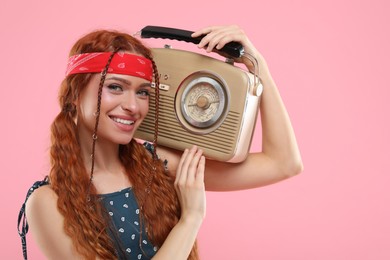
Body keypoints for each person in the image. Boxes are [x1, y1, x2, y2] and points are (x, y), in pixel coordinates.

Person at [19, 25, 303, 260]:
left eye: (143, 92)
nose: (133, 106)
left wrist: (258, 67)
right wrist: (190, 218)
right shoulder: (47, 202)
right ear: (74, 95)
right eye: (115, 87)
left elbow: (283, 163)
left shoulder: (159, 166)